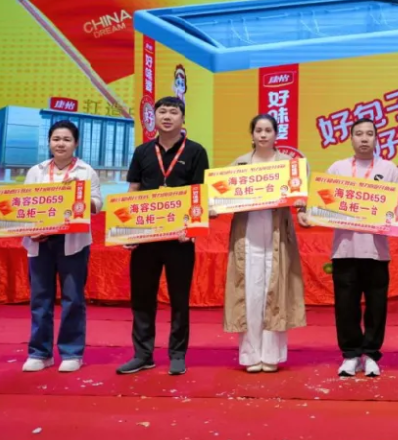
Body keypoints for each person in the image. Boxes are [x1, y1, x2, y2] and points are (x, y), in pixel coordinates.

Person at [117, 97, 210, 376]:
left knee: (179, 299)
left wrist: (191, 230)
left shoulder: (196, 151)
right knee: (142, 297)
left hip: (179, 239)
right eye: (162, 112)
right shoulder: (142, 151)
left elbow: (199, 193)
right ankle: (142, 354)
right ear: (154, 118)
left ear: (183, 119)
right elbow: (133, 190)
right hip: (145, 236)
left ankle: (177, 354)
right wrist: (128, 230)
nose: (167, 116)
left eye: (173, 112)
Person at [216, 113, 308, 373]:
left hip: (278, 237)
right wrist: (212, 206)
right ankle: (250, 356)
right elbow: (219, 194)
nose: (263, 135)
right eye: (259, 130)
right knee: (250, 295)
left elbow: (301, 198)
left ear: (276, 134)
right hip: (247, 237)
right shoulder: (240, 164)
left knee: (275, 292)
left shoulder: (288, 165)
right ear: (252, 134)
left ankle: (271, 355)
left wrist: (302, 205)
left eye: (268, 130)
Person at [325, 118, 398, 378]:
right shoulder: (338, 168)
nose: (364, 138)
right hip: (344, 250)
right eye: (358, 133)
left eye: (369, 134)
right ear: (350, 138)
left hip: (376, 251)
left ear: (376, 138)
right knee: (346, 306)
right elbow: (321, 202)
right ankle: (350, 356)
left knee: (376, 306)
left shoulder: (388, 169)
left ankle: (371, 354)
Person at [21, 120, 102, 373]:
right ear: (49, 142)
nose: (61, 144)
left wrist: (78, 194)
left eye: (67, 139)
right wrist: (32, 230)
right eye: (56, 139)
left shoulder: (86, 171)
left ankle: (72, 352)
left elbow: (97, 205)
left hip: (73, 242)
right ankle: (40, 353)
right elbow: (24, 205)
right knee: (40, 299)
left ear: (76, 143)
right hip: (40, 241)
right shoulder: (36, 171)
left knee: (73, 298)